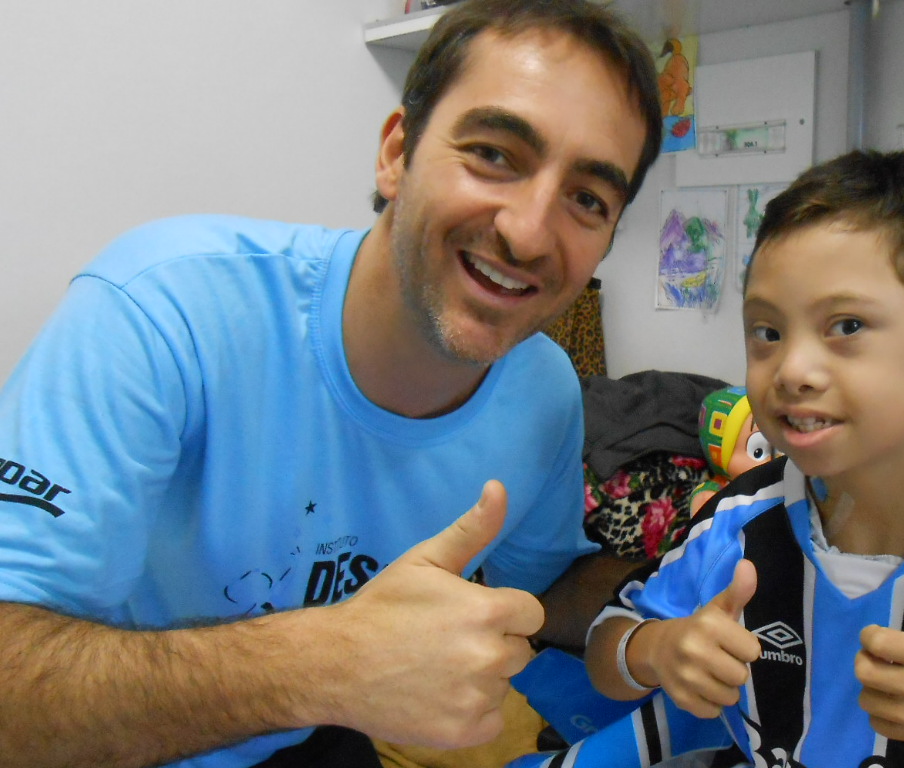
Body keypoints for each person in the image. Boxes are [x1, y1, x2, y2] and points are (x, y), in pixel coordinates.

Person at [0, 1, 663, 767]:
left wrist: (690, 593)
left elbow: (542, 587)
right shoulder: (163, 308)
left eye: (588, 199)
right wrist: (328, 663)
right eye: (494, 154)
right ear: (397, 153)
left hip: (311, 735)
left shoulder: (543, 390)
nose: (527, 232)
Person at [510, 150, 904, 768]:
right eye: (768, 332)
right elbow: (607, 645)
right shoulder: (739, 518)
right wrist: (659, 649)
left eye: (848, 325)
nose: (793, 371)